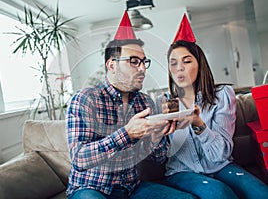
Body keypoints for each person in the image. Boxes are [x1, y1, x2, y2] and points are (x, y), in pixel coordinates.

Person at [66, 11, 196, 199]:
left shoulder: (145, 102)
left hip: (131, 188)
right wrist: (126, 134)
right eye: (134, 62)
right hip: (90, 188)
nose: (142, 68)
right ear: (112, 65)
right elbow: (80, 158)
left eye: (144, 62)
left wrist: (158, 135)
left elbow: (158, 158)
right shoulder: (85, 100)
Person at [161, 14, 268, 199]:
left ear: (200, 64)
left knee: (261, 193)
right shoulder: (164, 104)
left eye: (186, 61)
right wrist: (160, 133)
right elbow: (159, 151)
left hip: (221, 166)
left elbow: (221, 154)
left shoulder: (222, 95)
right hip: (182, 172)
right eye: (173, 63)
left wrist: (199, 124)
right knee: (220, 194)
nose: (179, 68)